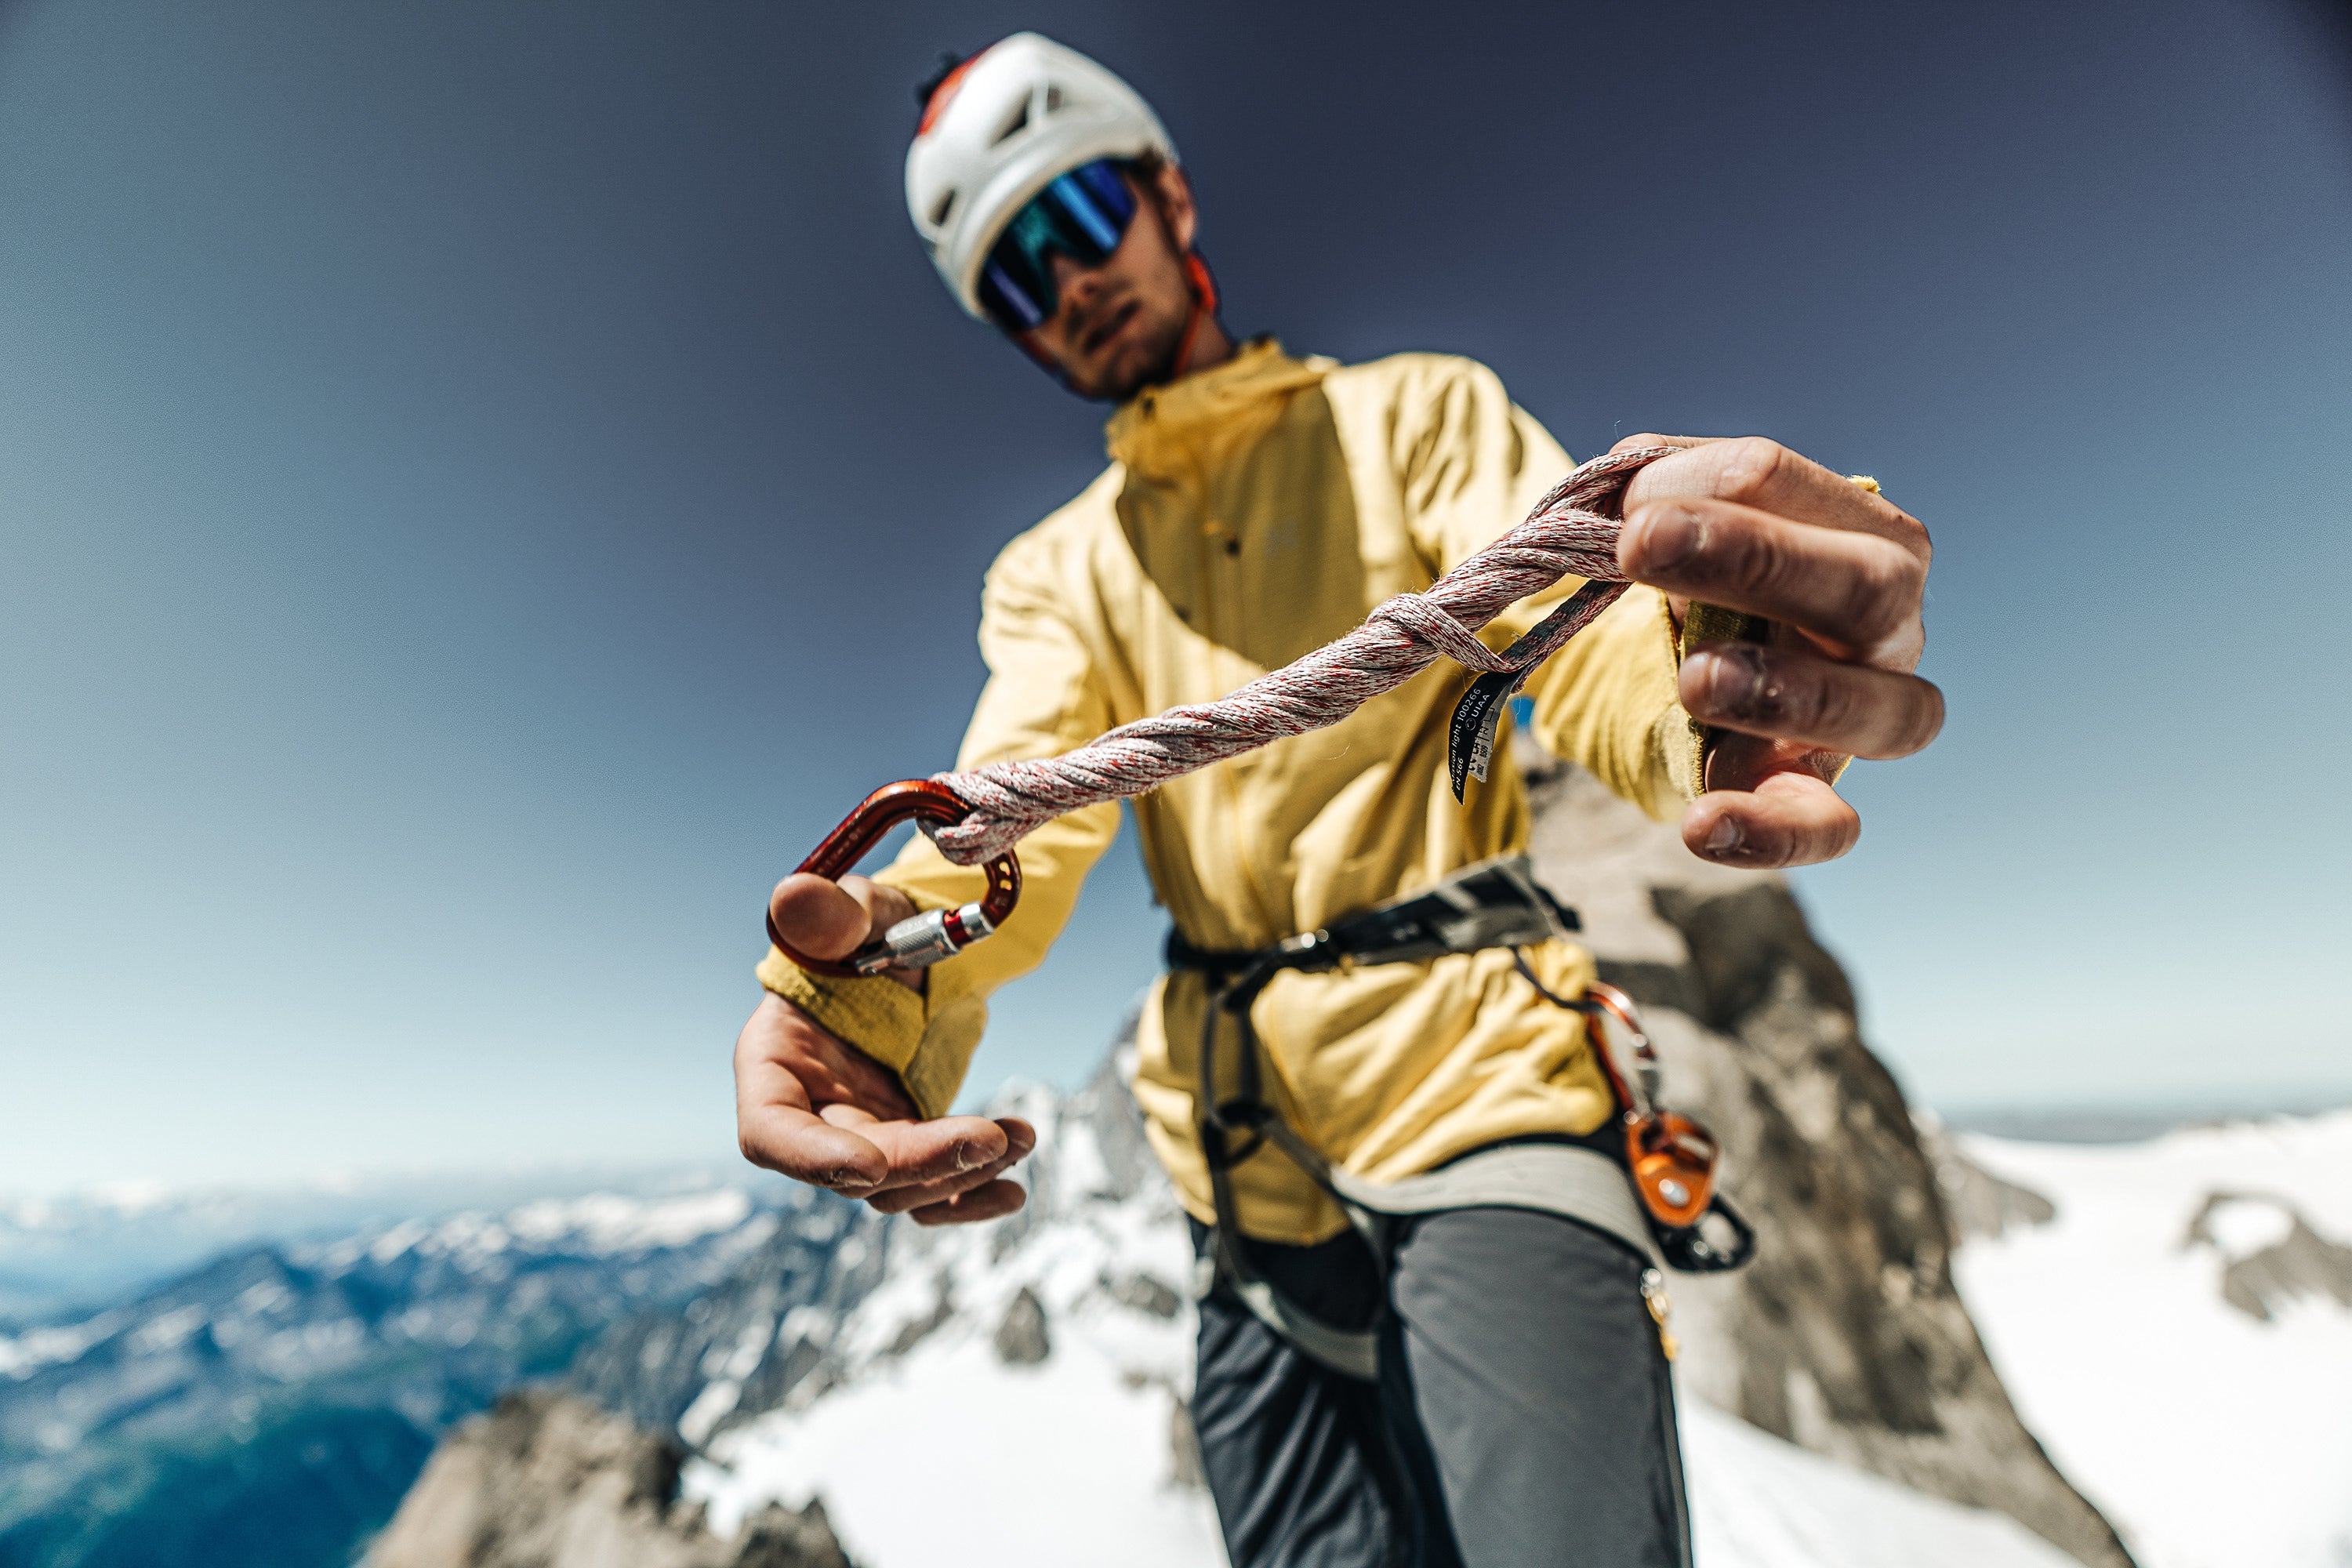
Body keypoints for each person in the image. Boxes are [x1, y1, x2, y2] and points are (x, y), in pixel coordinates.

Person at [734, 32, 1940, 1568]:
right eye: (1016, 280)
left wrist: (1718, 679)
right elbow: (1017, 814)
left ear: (1169, 197)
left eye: (1079, 218)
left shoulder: (1419, 423)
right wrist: (863, 993)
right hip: (1242, 1172)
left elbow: (1574, 630)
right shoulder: (1057, 575)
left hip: (1484, 1087)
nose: (1068, 284)